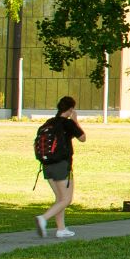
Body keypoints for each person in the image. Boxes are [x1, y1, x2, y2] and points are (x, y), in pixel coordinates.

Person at [33, 94, 86, 238]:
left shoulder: (48, 123)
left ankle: (61, 229)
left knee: (59, 198)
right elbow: (83, 138)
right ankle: (43, 219)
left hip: (47, 165)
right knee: (66, 199)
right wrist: (75, 121)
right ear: (70, 109)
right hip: (62, 165)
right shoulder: (68, 124)